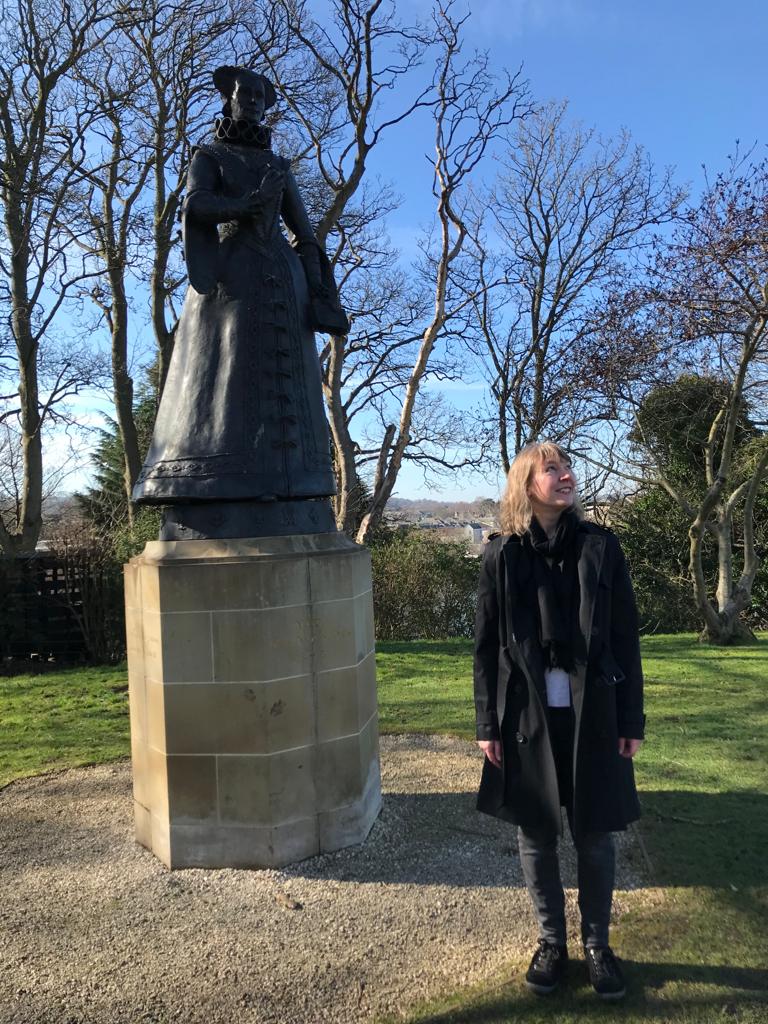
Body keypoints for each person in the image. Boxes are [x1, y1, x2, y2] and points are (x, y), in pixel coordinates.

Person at [133, 66, 348, 511]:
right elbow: (196, 203)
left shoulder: (278, 166)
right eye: (243, 92)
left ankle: (294, 481)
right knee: (229, 371)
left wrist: (320, 288)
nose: (251, 99)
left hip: (284, 280)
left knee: (288, 375)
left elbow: (304, 232)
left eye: (259, 95)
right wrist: (245, 205)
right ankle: (217, 475)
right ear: (229, 98)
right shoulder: (209, 154)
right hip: (232, 278)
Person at [473, 442, 645, 1000]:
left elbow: (624, 637)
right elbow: (485, 648)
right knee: (536, 831)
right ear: (527, 484)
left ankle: (598, 946)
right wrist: (486, 723)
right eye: (552, 469)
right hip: (526, 713)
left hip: (594, 709)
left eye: (567, 468)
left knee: (594, 832)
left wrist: (632, 719)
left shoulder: (601, 547)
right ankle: (552, 943)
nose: (566, 476)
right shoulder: (502, 556)